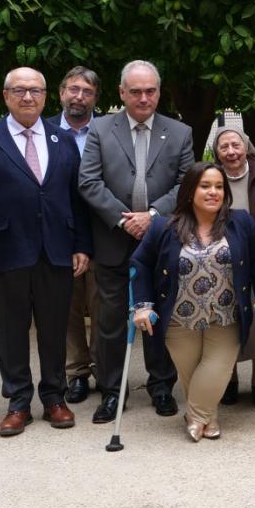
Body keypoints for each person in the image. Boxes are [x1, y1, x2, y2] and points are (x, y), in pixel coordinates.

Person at [0, 68, 93, 436]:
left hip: (56, 251)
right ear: (5, 96)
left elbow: (76, 199)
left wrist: (81, 244)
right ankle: (18, 401)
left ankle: (54, 398)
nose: (28, 97)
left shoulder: (61, 140)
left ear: (46, 96)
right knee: (11, 329)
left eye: (35, 90)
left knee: (54, 328)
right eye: (20, 90)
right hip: (5, 252)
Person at [78, 60, 196, 424]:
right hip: (113, 238)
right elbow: (89, 181)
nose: (144, 98)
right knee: (110, 319)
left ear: (158, 92)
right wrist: (124, 219)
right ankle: (113, 391)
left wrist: (153, 216)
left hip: (161, 239)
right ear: (121, 93)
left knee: (160, 316)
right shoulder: (99, 129)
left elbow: (186, 184)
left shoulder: (180, 132)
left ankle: (161, 386)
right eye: (136, 91)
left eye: (150, 91)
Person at [131, 163, 255, 441]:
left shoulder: (241, 221)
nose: (214, 192)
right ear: (189, 192)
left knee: (216, 369)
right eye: (205, 186)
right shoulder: (164, 226)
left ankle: (196, 416)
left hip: (226, 317)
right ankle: (208, 418)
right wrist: (143, 305)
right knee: (191, 373)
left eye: (219, 187)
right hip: (178, 318)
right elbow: (139, 261)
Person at [212, 124, 255, 409]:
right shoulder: (211, 177)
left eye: (235, 145)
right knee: (227, 322)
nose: (231, 151)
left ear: (246, 147)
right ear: (217, 153)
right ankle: (230, 380)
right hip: (221, 262)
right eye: (223, 147)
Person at [54, 65, 102, 405]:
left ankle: (106, 369)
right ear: (61, 93)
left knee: (104, 305)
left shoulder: (108, 131)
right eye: (73, 89)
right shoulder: (45, 132)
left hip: (103, 233)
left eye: (86, 91)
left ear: (95, 97)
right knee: (67, 307)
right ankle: (77, 373)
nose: (78, 96)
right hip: (58, 234)